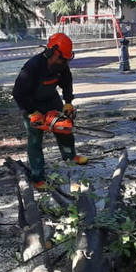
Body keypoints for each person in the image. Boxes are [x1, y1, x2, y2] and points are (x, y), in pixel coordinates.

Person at [12, 32, 87, 189]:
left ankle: (70, 155)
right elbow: (18, 93)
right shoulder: (33, 67)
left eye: (66, 59)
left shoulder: (61, 65)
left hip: (51, 99)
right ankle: (38, 176)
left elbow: (67, 82)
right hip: (31, 102)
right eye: (61, 58)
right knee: (35, 138)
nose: (63, 62)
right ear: (51, 52)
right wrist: (32, 112)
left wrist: (68, 102)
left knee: (65, 127)